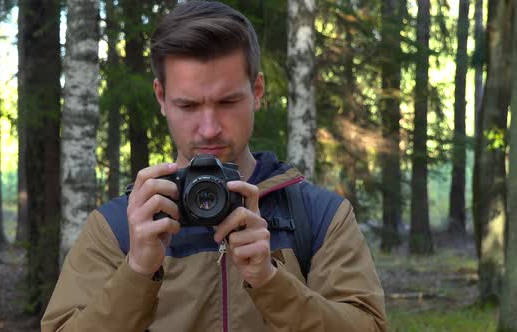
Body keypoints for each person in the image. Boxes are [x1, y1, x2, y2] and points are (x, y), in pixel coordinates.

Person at [41, 1, 387, 331]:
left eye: (228, 101)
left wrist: (270, 281)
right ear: (161, 97)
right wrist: (137, 271)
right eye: (188, 106)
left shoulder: (320, 217)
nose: (209, 128)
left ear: (257, 90)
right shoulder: (119, 227)